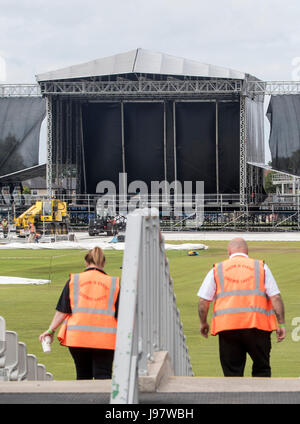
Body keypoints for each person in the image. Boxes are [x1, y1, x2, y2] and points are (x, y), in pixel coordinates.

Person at [197, 237, 285, 377]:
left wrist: (203, 323)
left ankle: (235, 398)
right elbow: (275, 297)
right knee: (262, 369)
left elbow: (203, 301)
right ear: (247, 251)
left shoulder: (217, 269)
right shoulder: (261, 267)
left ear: (229, 252)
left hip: (227, 327)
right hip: (258, 326)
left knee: (232, 374)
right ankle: (263, 397)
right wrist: (281, 323)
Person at [39, 247, 120, 380]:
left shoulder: (74, 280)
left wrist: (50, 330)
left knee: (83, 375)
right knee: (104, 375)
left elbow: (62, 311)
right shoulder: (113, 283)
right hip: (106, 338)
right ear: (104, 264)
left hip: (77, 337)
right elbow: (122, 314)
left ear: (86, 263)